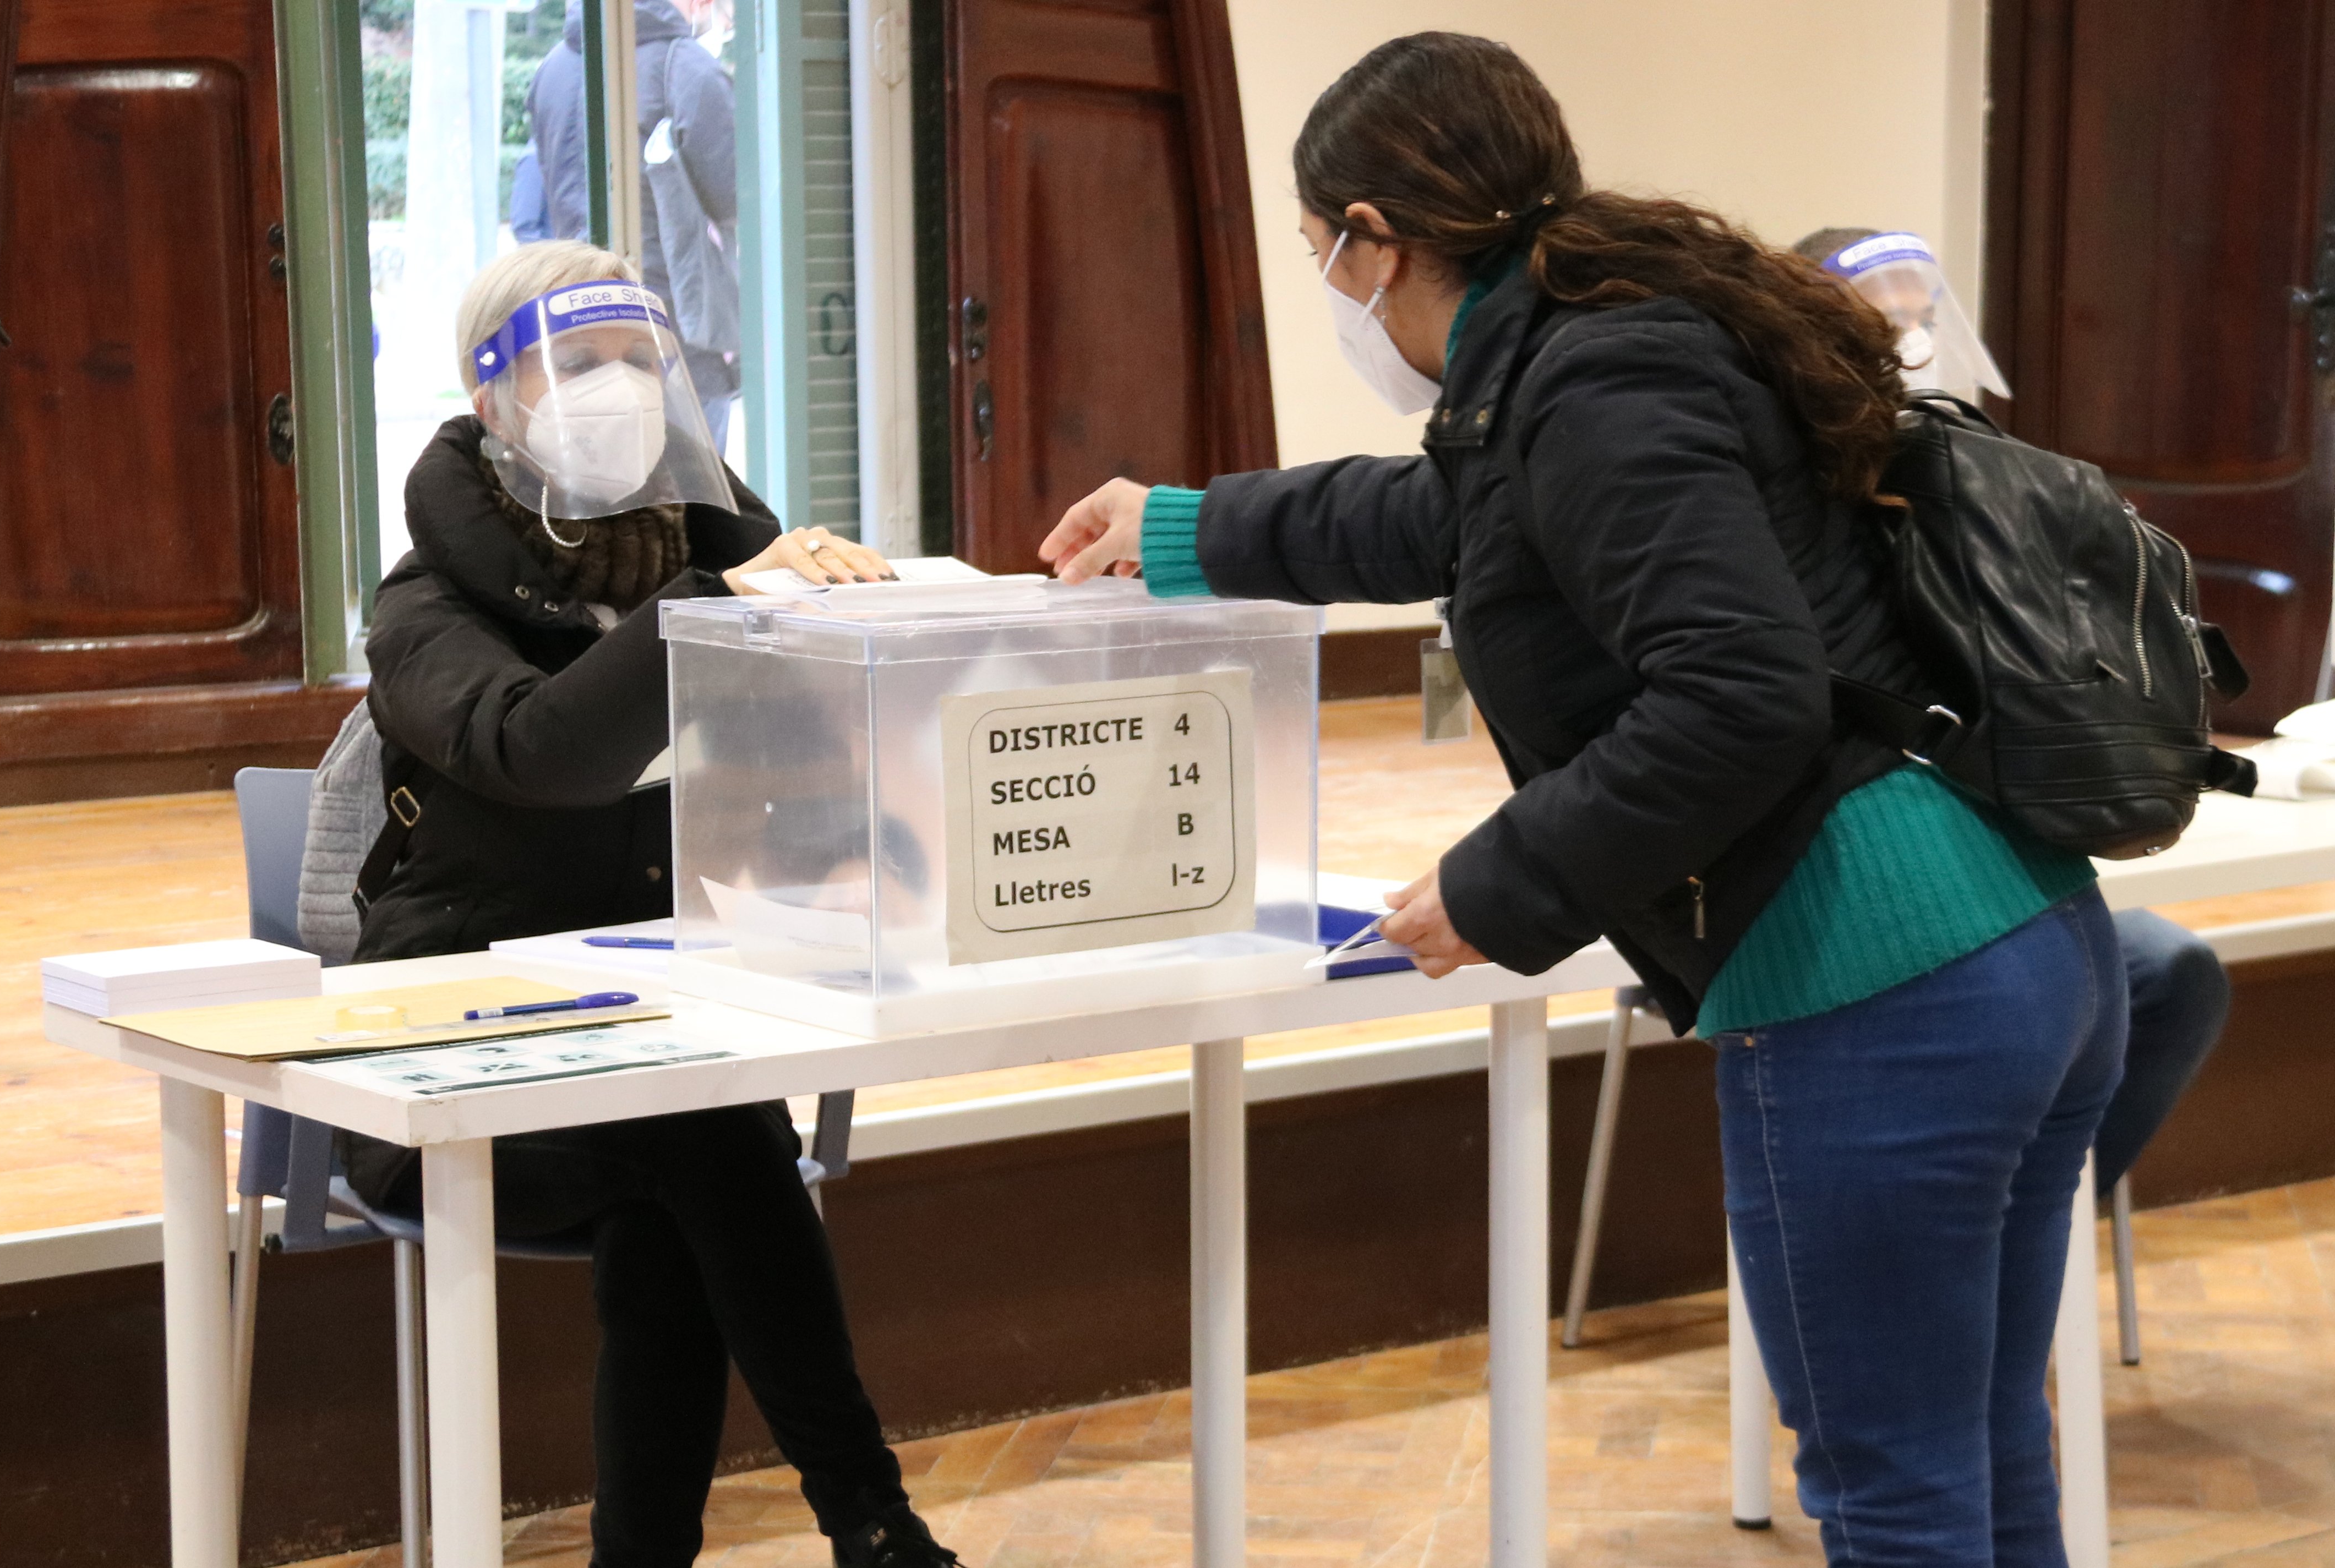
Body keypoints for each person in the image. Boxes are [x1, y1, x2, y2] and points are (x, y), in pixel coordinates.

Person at [1043, 33, 2123, 1567]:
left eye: (1322, 256)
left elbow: (1741, 694)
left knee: (1894, 1487)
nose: (1333, 292)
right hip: (2019, 939)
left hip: (1879, 979)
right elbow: (1457, 512)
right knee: (1977, 1446)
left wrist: (1501, 884)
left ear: (1378, 239)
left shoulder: (1594, 371)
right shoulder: (1599, 341)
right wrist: (1188, 526)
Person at [348, 239, 950, 1568]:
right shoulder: (423, 609)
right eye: (575, 363)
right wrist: (712, 609)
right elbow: (541, 752)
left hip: (653, 1053)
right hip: (432, 1073)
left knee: (682, 1170)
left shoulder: (730, 566)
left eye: (639, 359)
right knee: (703, 1136)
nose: (614, 388)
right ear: (488, 395)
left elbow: (831, 800)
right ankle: (871, 1518)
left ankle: (778, 1539)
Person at [1795, 225, 2233, 1190]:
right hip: (1846, 889)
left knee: (2171, 970)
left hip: (1992, 865)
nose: (1909, 347)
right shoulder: (1794, 503)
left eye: (1922, 320)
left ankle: (2039, 1206)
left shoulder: (1983, 493)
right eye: (1884, 326)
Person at [527, 0, 740, 448]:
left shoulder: (552, 72)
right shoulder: (687, 70)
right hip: (672, 332)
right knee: (694, 496)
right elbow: (739, 204)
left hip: (579, 321)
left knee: (607, 483)